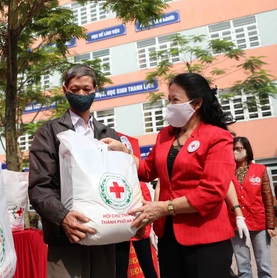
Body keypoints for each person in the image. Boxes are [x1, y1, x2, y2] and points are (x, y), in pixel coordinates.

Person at [103, 72, 236, 278]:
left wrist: (165, 207)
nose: (170, 106)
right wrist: (125, 153)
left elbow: (212, 192)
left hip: (206, 239)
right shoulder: (165, 135)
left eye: (176, 100)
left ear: (197, 103)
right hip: (169, 237)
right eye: (169, 100)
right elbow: (148, 170)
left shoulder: (217, 137)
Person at [28, 64, 124, 278]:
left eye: (87, 89)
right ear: (65, 90)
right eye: (75, 89)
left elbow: (121, 181)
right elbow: (40, 187)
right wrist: (63, 218)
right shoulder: (49, 133)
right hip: (66, 239)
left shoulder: (109, 135)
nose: (81, 94)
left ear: (95, 89)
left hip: (104, 237)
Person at [230, 136, 275, 278]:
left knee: (264, 266)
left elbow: (267, 198)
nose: (235, 152)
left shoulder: (260, 169)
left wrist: (271, 225)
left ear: (247, 150)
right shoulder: (228, 172)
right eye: (233, 149)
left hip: (259, 223)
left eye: (239, 148)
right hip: (237, 225)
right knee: (243, 268)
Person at [115, 182, 158, 278]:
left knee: (147, 266)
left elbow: (146, 206)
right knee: (121, 269)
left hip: (139, 230)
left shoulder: (139, 182)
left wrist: (143, 226)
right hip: (122, 231)